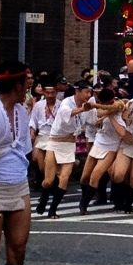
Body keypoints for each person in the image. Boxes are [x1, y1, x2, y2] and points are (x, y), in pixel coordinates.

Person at [0, 61, 33, 265]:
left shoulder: (22, 112)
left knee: (18, 250)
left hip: (19, 185)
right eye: (26, 82)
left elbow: (24, 150)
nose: (28, 87)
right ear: (17, 84)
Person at [36, 80, 93, 219]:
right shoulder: (66, 103)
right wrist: (82, 109)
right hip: (55, 142)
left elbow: (92, 120)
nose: (88, 95)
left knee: (64, 177)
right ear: (77, 91)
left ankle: (53, 210)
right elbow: (69, 113)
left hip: (69, 144)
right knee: (49, 180)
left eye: (90, 92)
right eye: (86, 92)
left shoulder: (88, 105)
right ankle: (43, 200)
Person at [78, 89, 127, 214]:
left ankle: (83, 205)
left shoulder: (118, 104)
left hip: (111, 147)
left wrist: (98, 107)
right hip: (98, 142)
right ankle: (85, 197)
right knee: (84, 177)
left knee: (95, 175)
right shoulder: (103, 111)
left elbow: (115, 109)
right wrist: (102, 111)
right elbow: (101, 112)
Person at [29, 83, 60, 189]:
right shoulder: (38, 105)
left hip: (55, 136)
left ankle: (52, 183)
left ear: (56, 92)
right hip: (42, 134)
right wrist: (32, 131)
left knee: (49, 162)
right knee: (38, 162)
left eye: (52, 93)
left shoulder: (61, 105)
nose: (50, 95)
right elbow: (33, 120)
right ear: (43, 92)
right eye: (47, 93)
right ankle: (46, 181)